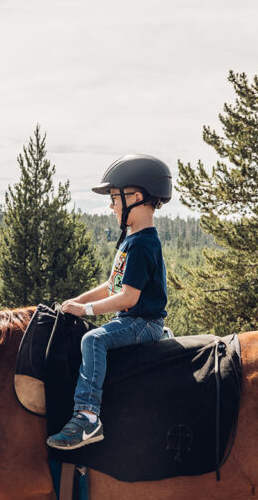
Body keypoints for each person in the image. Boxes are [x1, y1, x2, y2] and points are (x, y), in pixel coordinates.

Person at [46, 154, 172, 450]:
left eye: (115, 197)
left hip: (143, 323)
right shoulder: (132, 240)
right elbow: (112, 286)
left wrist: (85, 311)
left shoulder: (142, 244)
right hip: (132, 320)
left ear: (137, 197)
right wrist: (76, 302)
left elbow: (129, 297)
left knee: (93, 341)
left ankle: (88, 417)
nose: (112, 205)